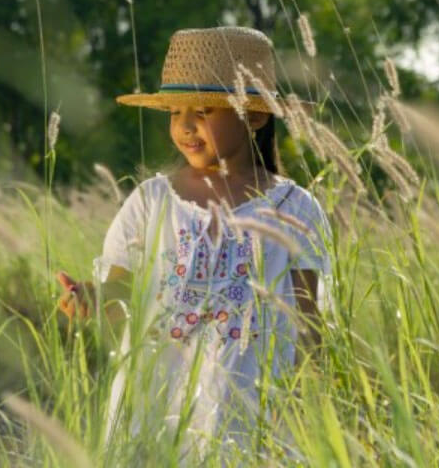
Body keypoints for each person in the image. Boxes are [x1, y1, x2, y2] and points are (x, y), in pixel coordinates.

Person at [57, 26, 332, 461]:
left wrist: (308, 403)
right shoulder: (152, 201)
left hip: (251, 410)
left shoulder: (295, 209)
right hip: (157, 402)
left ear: (256, 116)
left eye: (204, 110)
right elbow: (120, 294)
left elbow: (309, 322)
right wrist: (91, 297)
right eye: (174, 112)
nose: (185, 126)